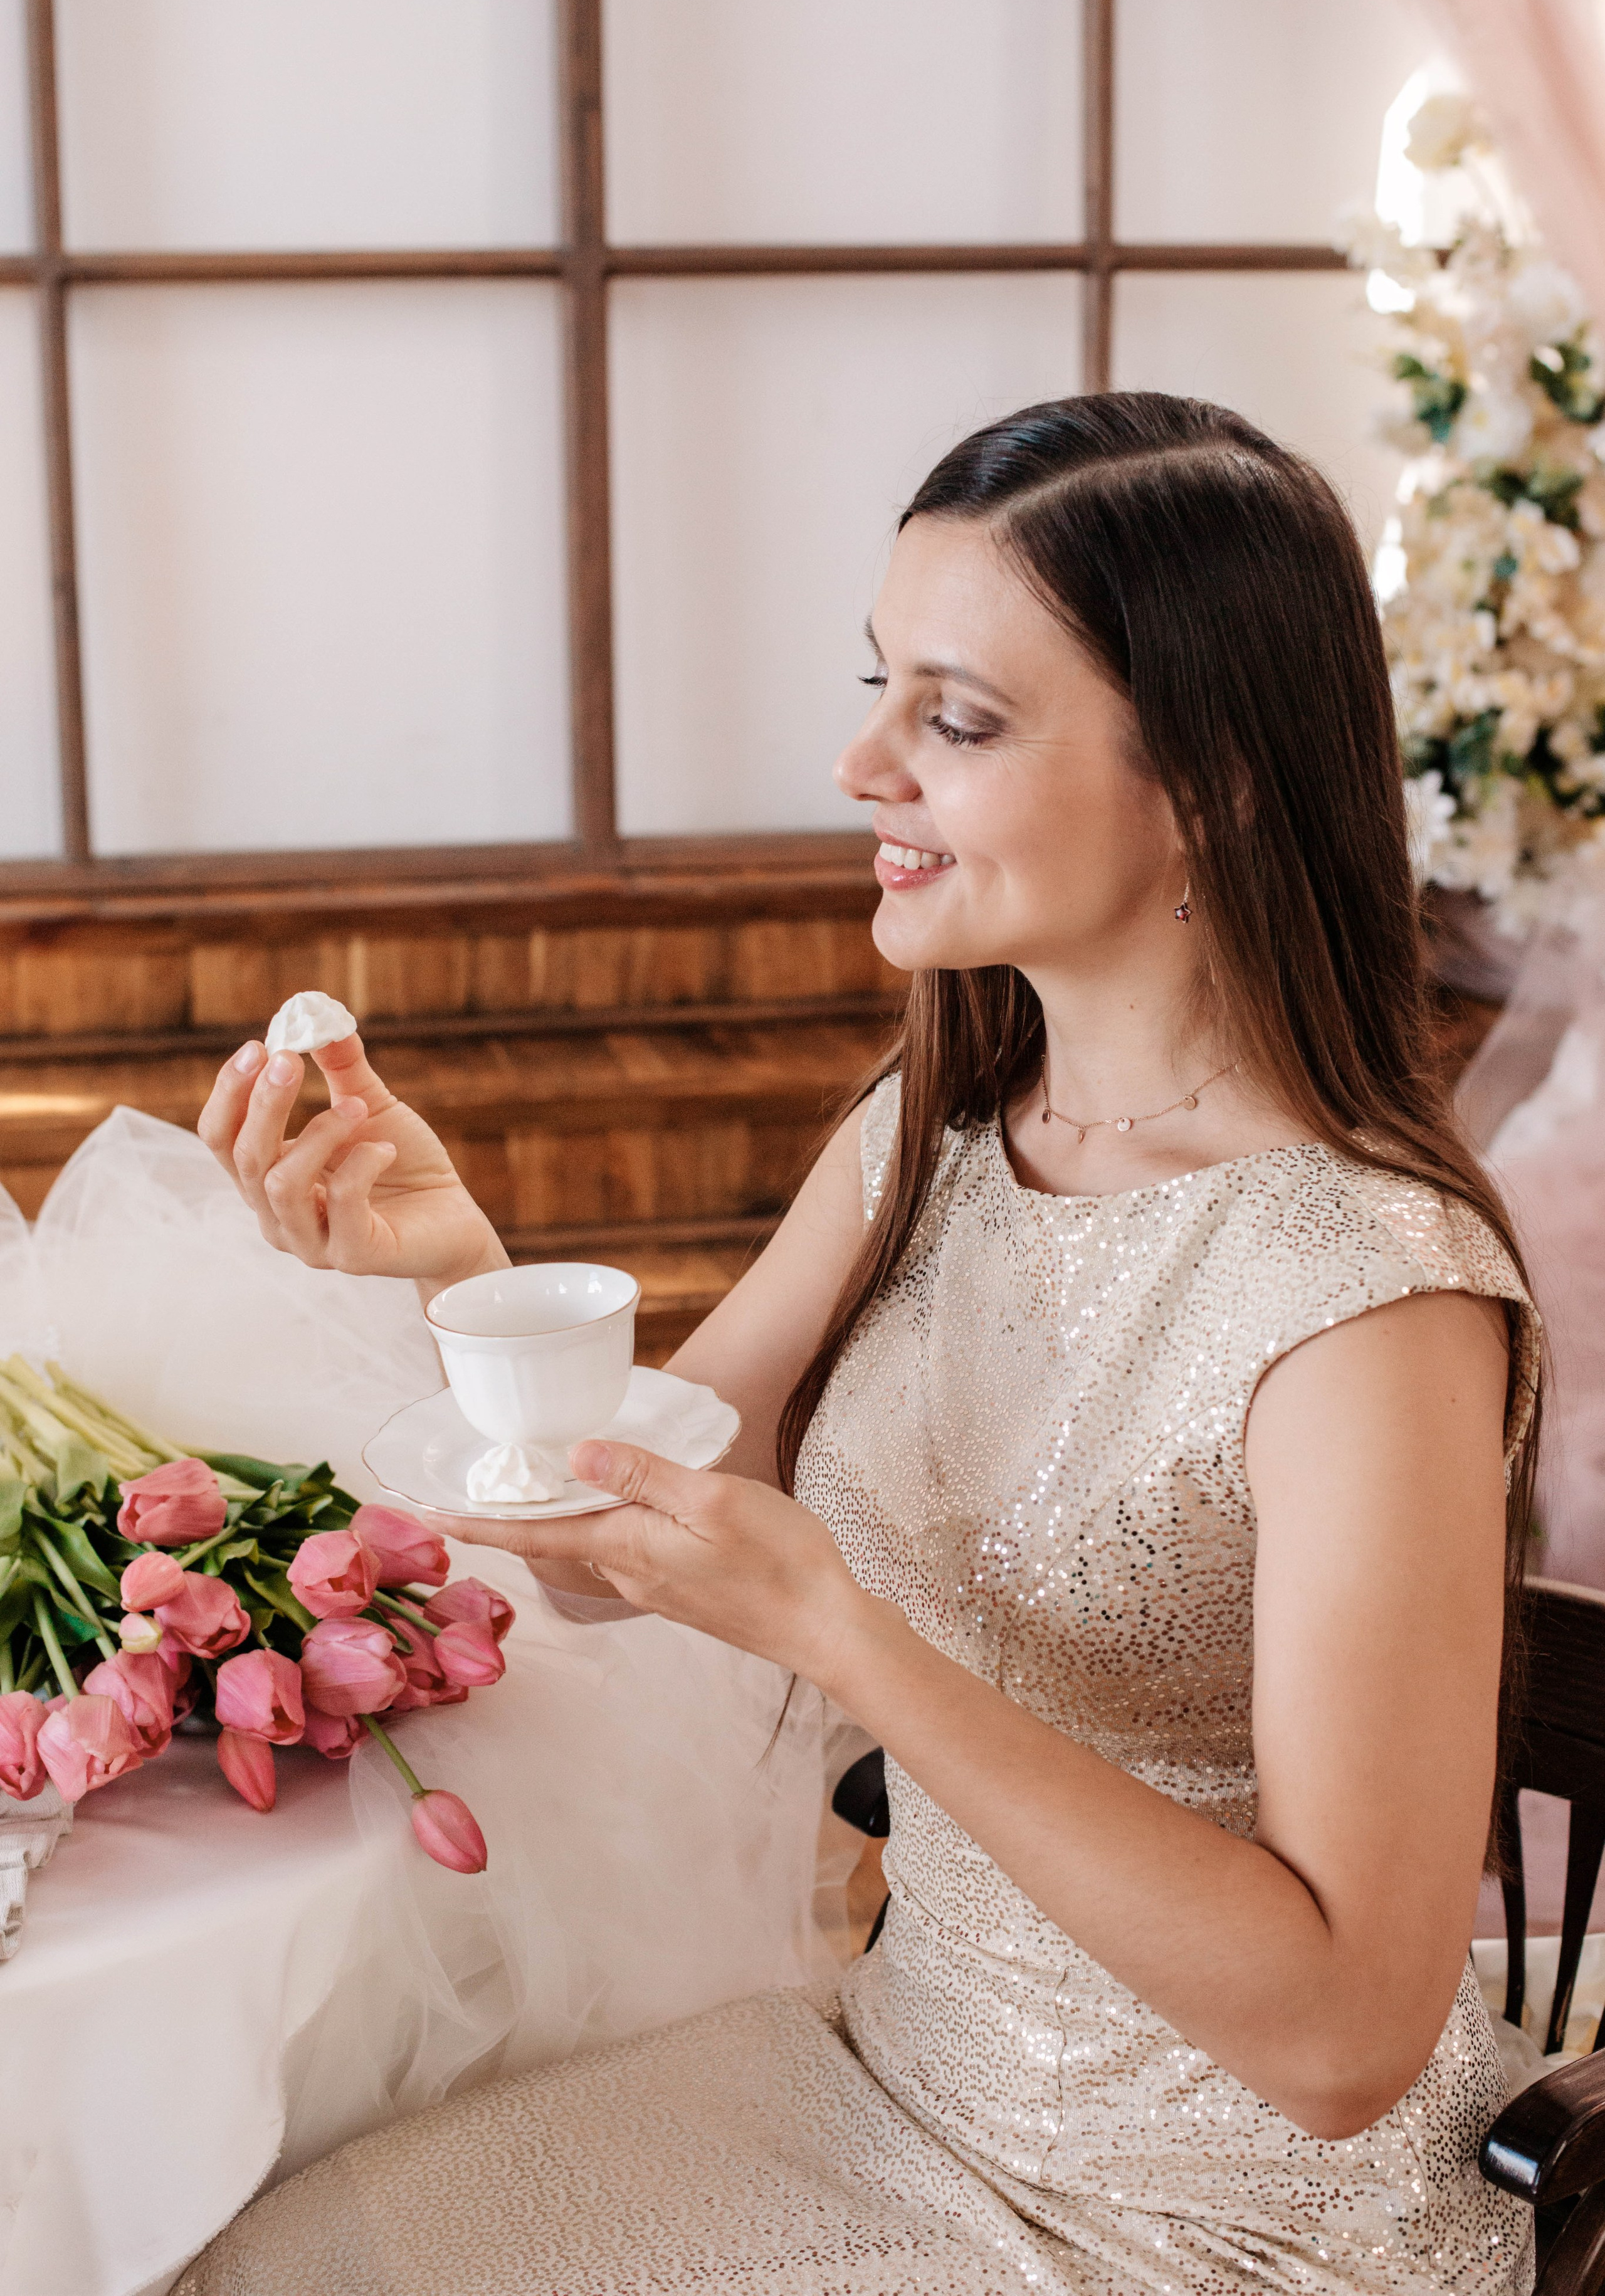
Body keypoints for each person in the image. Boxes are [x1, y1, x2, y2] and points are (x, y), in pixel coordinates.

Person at [182, 393, 1539, 2295]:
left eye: (955, 721)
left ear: (1217, 778)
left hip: (1224, 2222)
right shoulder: (938, 1137)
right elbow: (616, 1563)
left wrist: (845, 1636)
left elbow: (1340, 2044)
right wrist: (463, 1274)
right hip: (905, 2079)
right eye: (879, 687)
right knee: (256, 2254)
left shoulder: (1368, 1299)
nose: (856, 762)